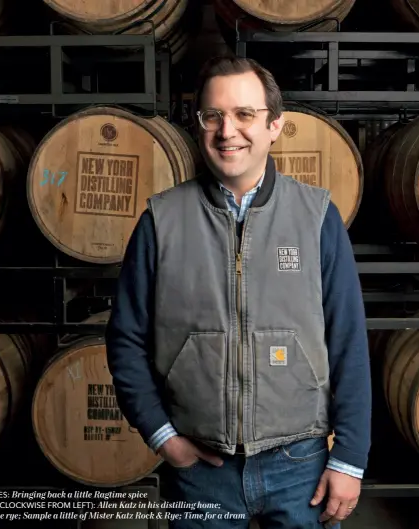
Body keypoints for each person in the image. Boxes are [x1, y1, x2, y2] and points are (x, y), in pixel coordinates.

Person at [106, 55, 372, 528]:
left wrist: (348, 458)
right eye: (214, 116)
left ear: (274, 125)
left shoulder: (316, 218)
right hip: (200, 469)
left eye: (245, 114)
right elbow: (125, 338)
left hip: (299, 463)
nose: (228, 131)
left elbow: (349, 340)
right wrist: (162, 435)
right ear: (199, 125)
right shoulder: (161, 221)